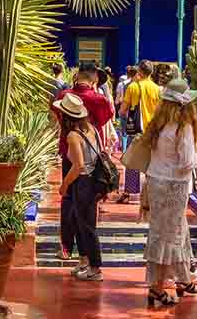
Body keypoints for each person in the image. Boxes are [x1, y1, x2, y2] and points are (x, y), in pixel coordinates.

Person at [141, 77, 197, 307]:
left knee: (167, 231)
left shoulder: (159, 124)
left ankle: (184, 277)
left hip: (156, 182)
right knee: (170, 236)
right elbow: (187, 162)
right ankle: (157, 288)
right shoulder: (183, 127)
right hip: (175, 186)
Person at [51, 64, 113, 259]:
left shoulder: (64, 96)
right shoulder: (99, 100)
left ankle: (66, 247)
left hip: (68, 151)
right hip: (91, 157)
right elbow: (104, 120)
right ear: (94, 80)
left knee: (68, 198)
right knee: (88, 204)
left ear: (77, 76)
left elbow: (56, 112)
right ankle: (86, 253)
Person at [54, 93, 105, 282]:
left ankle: (95, 267)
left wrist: (64, 184)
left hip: (82, 183)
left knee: (87, 226)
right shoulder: (91, 129)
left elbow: (78, 165)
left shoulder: (73, 136)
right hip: (93, 181)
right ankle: (85, 262)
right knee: (80, 223)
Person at [119, 60, 161, 203]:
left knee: (132, 162)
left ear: (140, 72)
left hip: (136, 131)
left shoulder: (133, 87)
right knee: (153, 163)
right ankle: (152, 193)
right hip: (153, 131)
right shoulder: (157, 89)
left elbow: (123, 111)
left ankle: (129, 192)